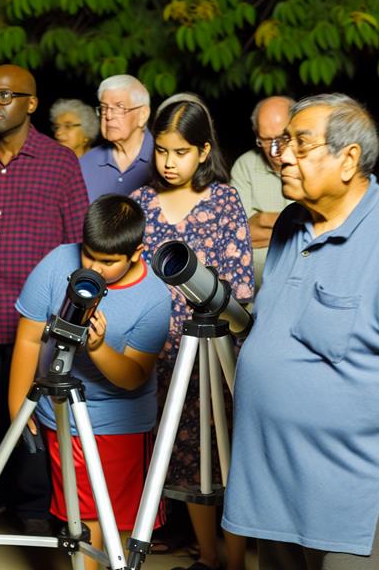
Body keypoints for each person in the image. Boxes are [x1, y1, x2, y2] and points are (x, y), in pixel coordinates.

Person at [220, 93, 379, 570]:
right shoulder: (291, 224)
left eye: (300, 144)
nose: (282, 155)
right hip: (275, 490)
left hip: (356, 504)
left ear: (348, 159)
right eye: (282, 142)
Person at [0, 63, 89, 531]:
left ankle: (33, 508)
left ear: (31, 103)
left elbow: (77, 244)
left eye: (5, 96)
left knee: (35, 417)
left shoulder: (60, 163)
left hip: (37, 324)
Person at [7, 194, 171, 570]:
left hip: (120, 424)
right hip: (61, 413)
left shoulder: (154, 298)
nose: (95, 267)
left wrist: (96, 347)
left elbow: (132, 376)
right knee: (81, 517)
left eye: (108, 261)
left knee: (117, 521)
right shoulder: (56, 263)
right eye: (89, 255)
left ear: (136, 252)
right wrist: (18, 403)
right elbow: (30, 337)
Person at [130, 98, 253, 570]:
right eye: (161, 151)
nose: (168, 162)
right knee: (182, 458)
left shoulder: (224, 200)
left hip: (212, 348)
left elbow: (240, 283)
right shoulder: (141, 203)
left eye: (180, 152)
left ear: (203, 151)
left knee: (223, 456)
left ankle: (235, 559)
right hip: (155, 352)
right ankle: (207, 556)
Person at [230, 96, 295, 291]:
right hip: (254, 293)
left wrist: (263, 219)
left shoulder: (315, 164)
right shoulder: (245, 165)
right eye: (266, 140)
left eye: (282, 138)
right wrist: (298, 227)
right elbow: (236, 237)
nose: (274, 150)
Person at [80, 74, 154, 201]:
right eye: (104, 108)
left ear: (143, 114)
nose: (108, 116)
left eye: (119, 107)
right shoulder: (86, 163)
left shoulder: (163, 160)